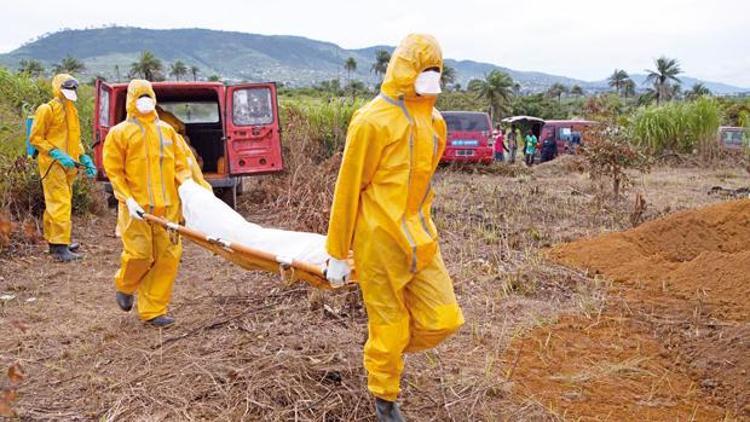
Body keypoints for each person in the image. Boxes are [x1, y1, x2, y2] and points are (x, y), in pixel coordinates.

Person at [325, 34, 464, 422]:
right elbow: (348, 187)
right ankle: (385, 399)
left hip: (422, 239)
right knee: (388, 323)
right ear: (404, 68)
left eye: (437, 70)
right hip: (379, 242)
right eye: (425, 69)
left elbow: (424, 186)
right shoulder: (372, 121)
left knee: (444, 319)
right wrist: (338, 252)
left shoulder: (435, 123)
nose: (431, 77)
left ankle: (384, 350)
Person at [103, 80, 192, 327]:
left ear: (154, 98)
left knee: (167, 258)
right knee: (140, 255)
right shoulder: (119, 133)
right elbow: (114, 171)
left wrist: (188, 190)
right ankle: (125, 285)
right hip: (136, 210)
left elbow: (181, 165)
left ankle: (153, 310)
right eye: (139, 96)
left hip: (167, 209)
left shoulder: (167, 131)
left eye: (147, 95)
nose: (144, 100)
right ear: (131, 99)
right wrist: (128, 199)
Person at [29, 74, 96, 262]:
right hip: (52, 163)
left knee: (59, 202)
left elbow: (74, 138)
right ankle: (59, 247)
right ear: (58, 88)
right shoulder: (46, 109)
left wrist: (84, 157)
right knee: (60, 203)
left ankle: (57, 241)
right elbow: (36, 138)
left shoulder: (71, 110)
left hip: (69, 165)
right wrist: (57, 154)